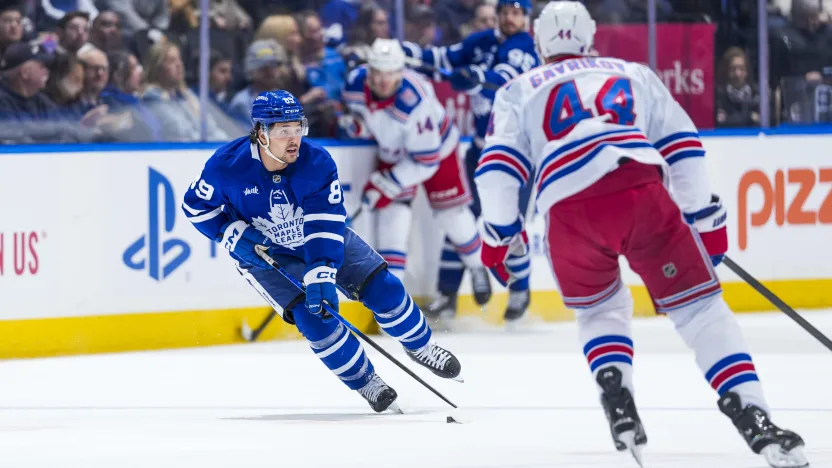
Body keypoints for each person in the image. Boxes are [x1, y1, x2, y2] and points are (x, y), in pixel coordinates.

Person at [476, 2, 808, 467]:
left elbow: (497, 170)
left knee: (600, 311)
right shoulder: (633, 72)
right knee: (701, 311)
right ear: (591, 38)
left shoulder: (518, 88)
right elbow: (683, 144)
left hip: (566, 212)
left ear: (538, 42)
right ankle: (753, 415)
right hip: (638, 189)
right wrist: (702, 215)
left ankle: (616, 389)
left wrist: (499, 234)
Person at [182, 89, 462, 414]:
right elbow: (196, 206)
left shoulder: (316, 162)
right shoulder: (226, 166)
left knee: (383, 287)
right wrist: (230, 233)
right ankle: (366, 381)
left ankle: (421, 346)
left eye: (296, 128)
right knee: (314, 321)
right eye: (283, 130)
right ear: (260, 133)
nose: (293, 138)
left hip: (318, 240)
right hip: (265, 255)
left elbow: (324, 226)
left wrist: (322, 273)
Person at [402, 0, 538, 324]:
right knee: (461, 220)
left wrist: (475, 77)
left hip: (516, 153)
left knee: (508, 225)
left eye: (516, 12)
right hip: (480, 149)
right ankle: (447, 295)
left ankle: (521, 289)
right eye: (505, 11)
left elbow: (504, 77)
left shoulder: (526, 47)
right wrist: (402, 52)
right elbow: (443, 58)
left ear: (526, 17)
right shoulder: (481, 41)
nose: (509, 18)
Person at [339, 38, 492, 317]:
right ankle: (390, 301)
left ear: (401, 71)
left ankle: (477, 266)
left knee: (451, 214)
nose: (384, 81)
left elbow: (426, 161)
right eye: (378, 73)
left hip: (436, 151)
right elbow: (366, 117)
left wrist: (388, 182)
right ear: (368, 70)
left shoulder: (415, 99)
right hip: (394, 151)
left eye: (391, 73)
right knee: (392, 216)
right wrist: (356, 126)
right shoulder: (353, 85)